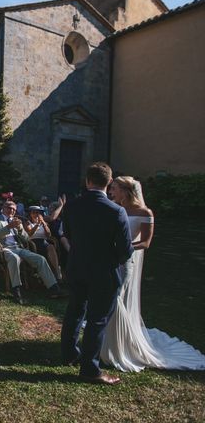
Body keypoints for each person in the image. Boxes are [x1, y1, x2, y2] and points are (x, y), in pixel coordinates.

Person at [101, 176, 205, 372]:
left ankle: (119, 346)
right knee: (110, 298)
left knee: (117, 298)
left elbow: (146, 242)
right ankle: (109, 343)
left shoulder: (144, 212)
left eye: (114, 189)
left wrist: (123, 248)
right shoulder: (115, 208)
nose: (111, 192)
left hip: (126, 260)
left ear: (126, 191)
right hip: (110, 260)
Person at [60, 163, 134, 385]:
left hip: (76, 267)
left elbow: (70, 235)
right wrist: (113, 260)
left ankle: (70, 354)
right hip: (103, 271)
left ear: (87, 181)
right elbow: (125, 249)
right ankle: (90, 370)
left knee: (74, 310)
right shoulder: (116, 210)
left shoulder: (72, 206)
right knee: (97, 319)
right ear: (109, 183)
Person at [0, 200, 66, 304]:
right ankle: (16, 290)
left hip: (18, 248)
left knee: (40, 259)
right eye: (9, 208)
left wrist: (20, 229)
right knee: (14, 258)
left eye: (14, 209)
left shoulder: (16, 220)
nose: (11, 211)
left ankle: (54, 288)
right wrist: (9, 227)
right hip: (3, 248)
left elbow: (26, 238)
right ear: (3, 208)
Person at [24, 206, 63, 282]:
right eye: (34, 212)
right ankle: (55, 273)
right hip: (33, 243)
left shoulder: (44, 223)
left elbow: (49, 235)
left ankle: (57, 271)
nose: (36, 214)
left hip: (44, 242)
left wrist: (44, 223)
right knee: (49, 247)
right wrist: (37, 224)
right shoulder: (27, 223)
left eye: (38, 212)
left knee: (51, 246)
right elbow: (30, 234)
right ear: (30, 214)